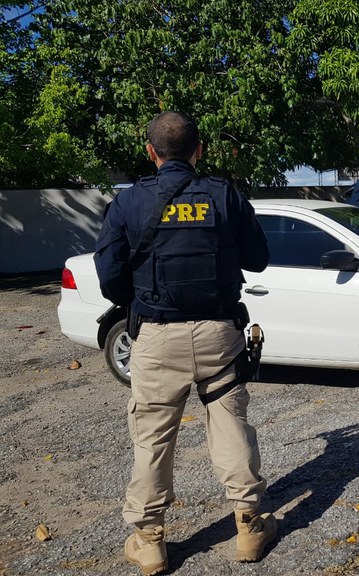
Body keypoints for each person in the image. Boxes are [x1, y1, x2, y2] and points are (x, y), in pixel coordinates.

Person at [94, 111, 273, 575]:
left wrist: (139, 301)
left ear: (150, 152)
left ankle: (149, 540)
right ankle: (249, 524)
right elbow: (258, 260)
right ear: (199, 151)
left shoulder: (130, 202)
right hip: (219, 335)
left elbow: (110, 276)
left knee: (152, 437)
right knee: (230, 426)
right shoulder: (224, 195)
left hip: (156, 336)